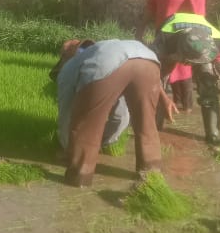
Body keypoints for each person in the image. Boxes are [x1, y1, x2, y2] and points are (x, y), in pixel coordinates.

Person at [51, 38, 168, 187]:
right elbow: (121, 112)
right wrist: (110, 139)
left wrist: (66, 145)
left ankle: (80, 179)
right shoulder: (103, 47)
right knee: (146, 125)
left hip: (107, 64)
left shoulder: (69, 67)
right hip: (149, 61)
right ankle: (152, 176)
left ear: (65, 57)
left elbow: (66, 110)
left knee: (87, 128)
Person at [153, 12, 220, 145]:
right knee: (157, 86)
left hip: (204, 39)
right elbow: (152, 74)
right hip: (173, 37)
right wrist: (164, 98)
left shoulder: (217, 46)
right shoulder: (164, 42)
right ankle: (154, 131)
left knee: (208, 82)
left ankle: (213, 138)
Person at [135, 0, 206, 113]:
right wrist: (141, 29)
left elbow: (198, 12)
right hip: (162, 32)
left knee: (181, 69)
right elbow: (152, 3)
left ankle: (184, 107)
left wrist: (191, 37)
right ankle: (160, 111)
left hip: (183, 33)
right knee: (159, 71)